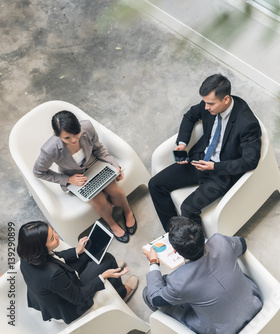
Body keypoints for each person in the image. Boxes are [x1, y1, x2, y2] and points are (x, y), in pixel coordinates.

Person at [148, 74, 262, 232]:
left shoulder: (247, 124)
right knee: (155, 185)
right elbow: (190, 116)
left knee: (188, 208)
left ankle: (197, 250)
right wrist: (182, 144)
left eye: (210, 104)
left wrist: (214, 167)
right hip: (199, 161)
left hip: (221, 174)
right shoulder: (209, 104)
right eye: (205, 102)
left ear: (226, 99)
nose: (206, 107)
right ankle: (174, 236)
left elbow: (250, 161)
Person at [142, 216, 262, 334]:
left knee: (148, 293)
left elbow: (155, 299)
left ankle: (162, 320)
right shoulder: (221, 241)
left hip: (222, 330)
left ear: (174, 250)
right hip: (253, 303)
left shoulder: (179, 281)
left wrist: (153, 263)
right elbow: (242, 244)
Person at [33, 110, 137, 243]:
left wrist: (114, 165)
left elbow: (99, 149)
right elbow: (38, 171)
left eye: (76, 134)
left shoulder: (87, 127)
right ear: (57, 135)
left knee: (115, 191)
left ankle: (127, 212)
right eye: (67, 138)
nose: (74, 140)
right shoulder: (49, 149)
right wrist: (67, 180)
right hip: (75, 178)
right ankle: (111, 223)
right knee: (99, 200)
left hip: (95, 166)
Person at [17, 221, 138, 324]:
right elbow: (78, 297)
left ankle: (107, 266)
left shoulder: (28, 254)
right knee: (107, 259)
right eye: (52, 238)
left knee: (89, 251)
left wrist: (77, 251)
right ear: (40, 248)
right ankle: (121, 292)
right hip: (71, 304)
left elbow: (55, 256)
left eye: (53, 231)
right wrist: (103, 276)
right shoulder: (53, 274)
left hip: (56, 289)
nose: (57, 235)